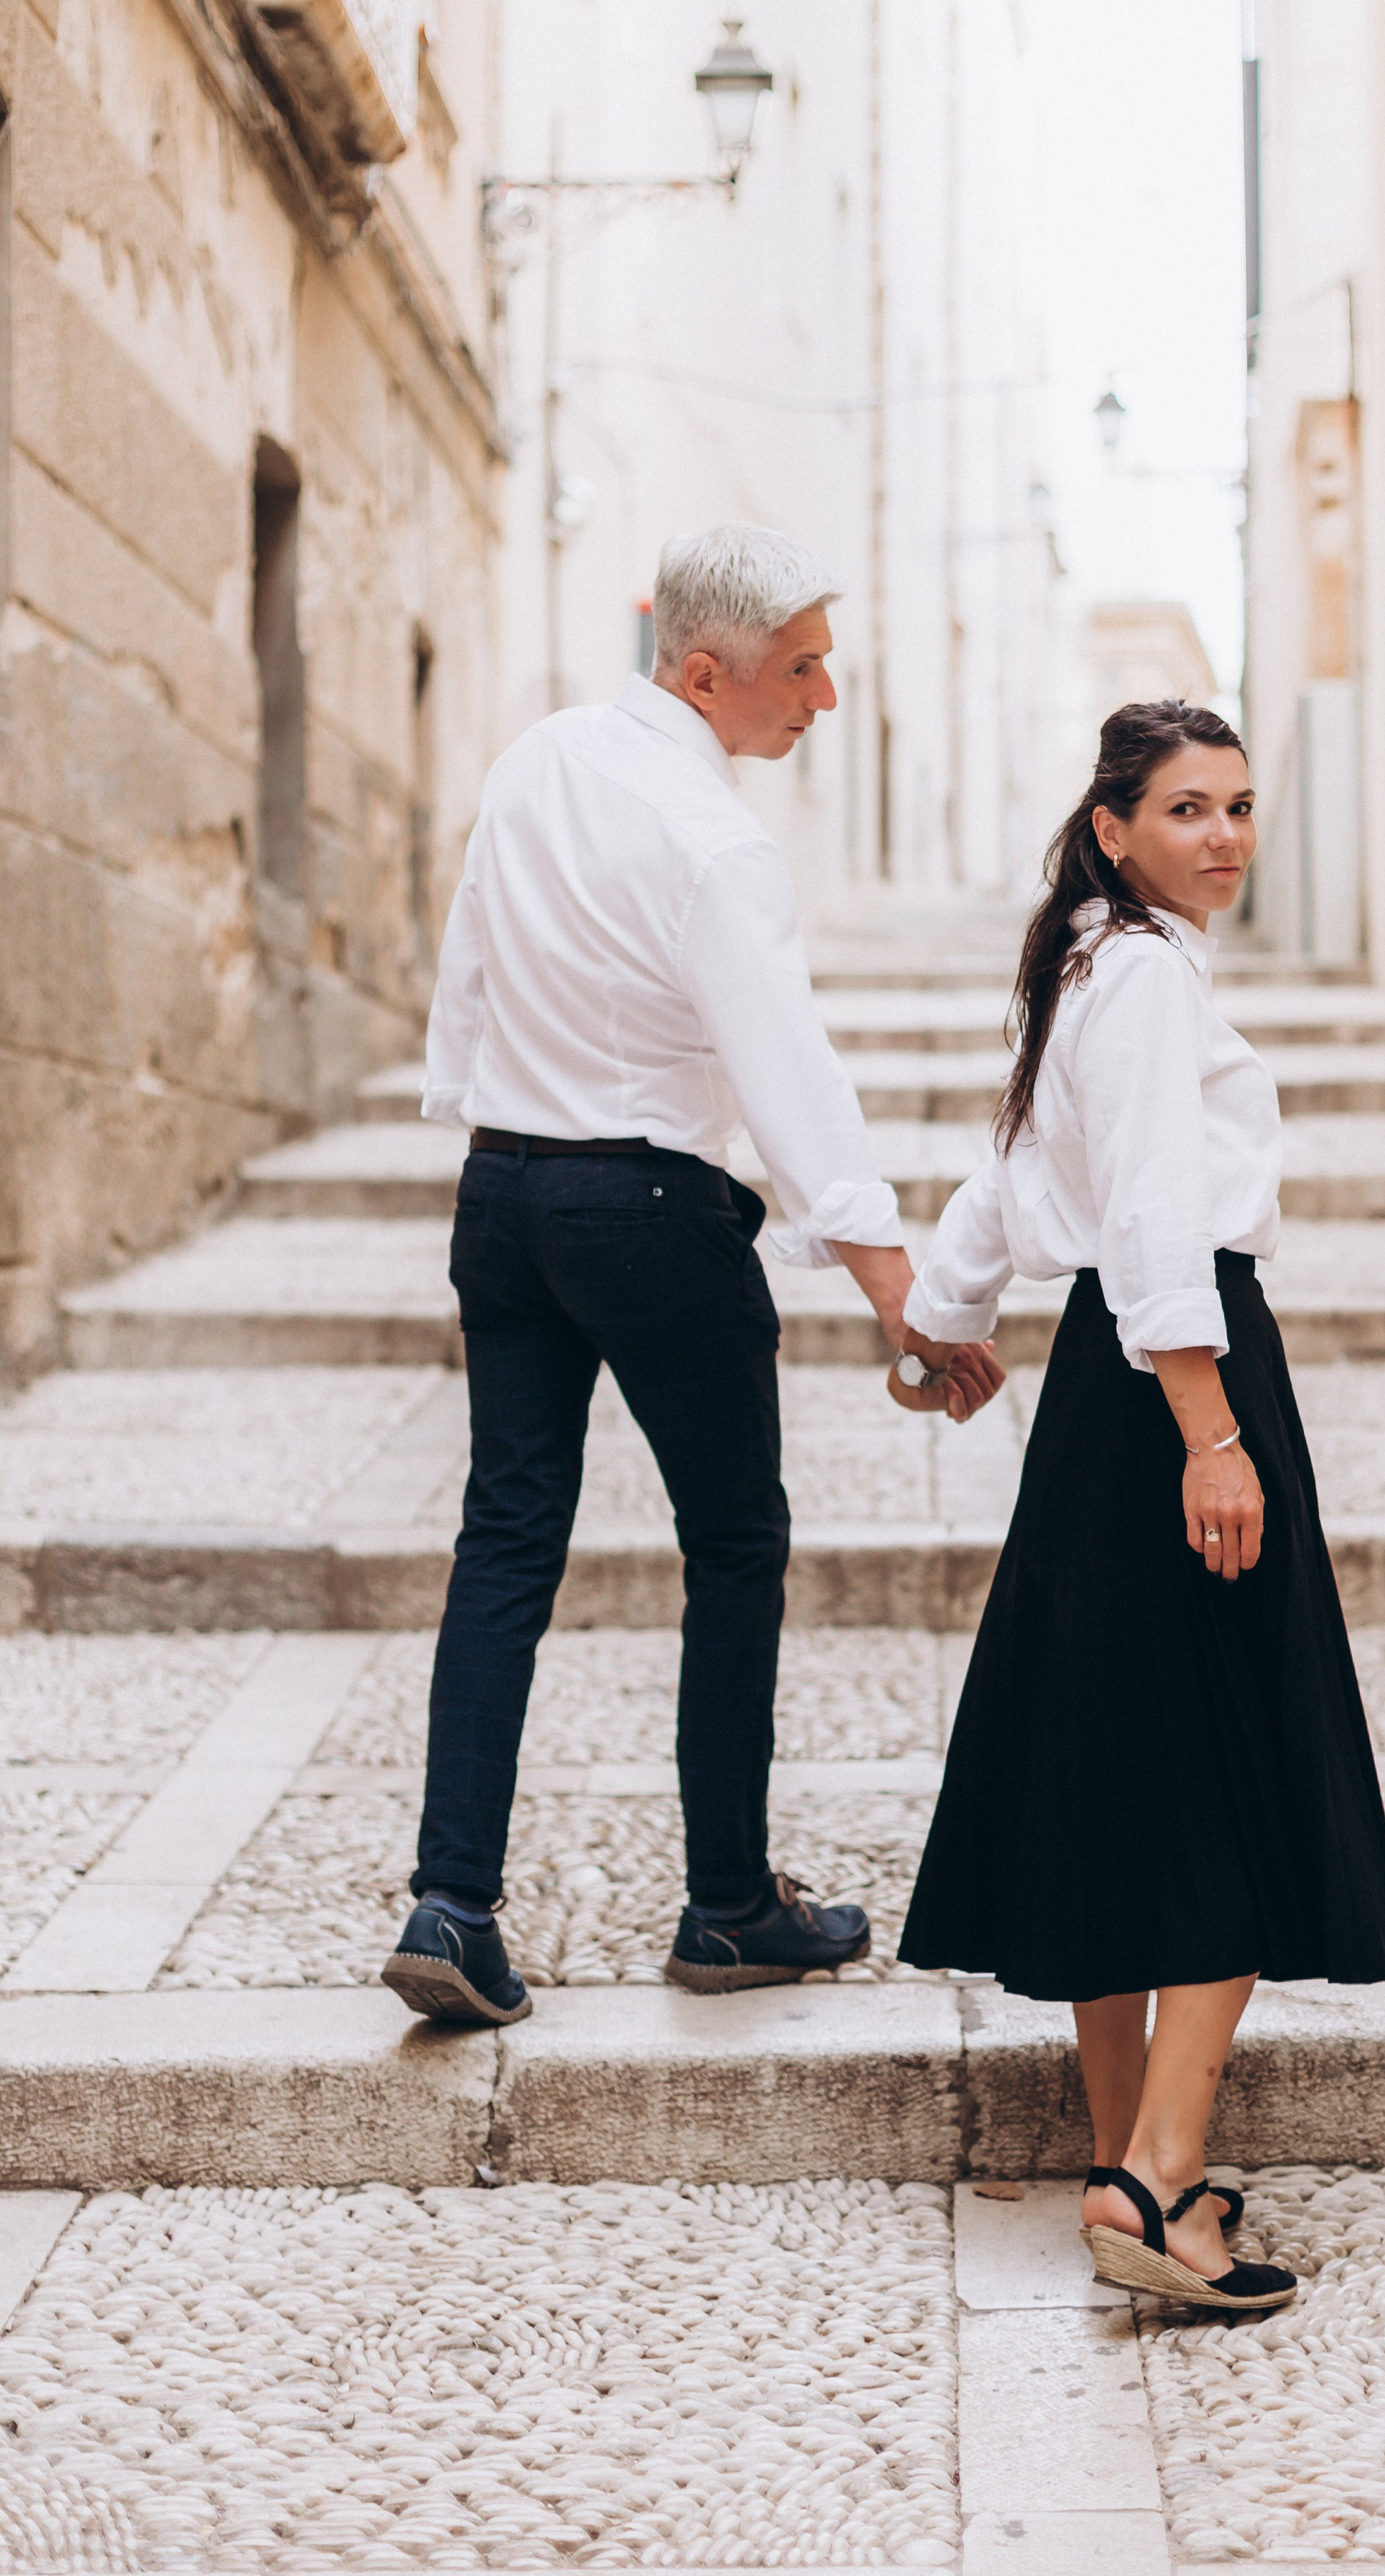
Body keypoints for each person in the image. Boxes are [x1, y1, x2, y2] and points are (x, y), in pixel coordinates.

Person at [382, 524, 1003, 2026]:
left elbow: (468, 969)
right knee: (732, 1543)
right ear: (705, 669)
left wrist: (484, 1115)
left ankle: (449, 1904)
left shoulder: (538, 760)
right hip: (651, 1205)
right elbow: (782, 1075)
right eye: (801, 670)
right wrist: (895, 1286)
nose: (825, 698)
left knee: (505, 1538)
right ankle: (726, 1908)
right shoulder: (716, 841)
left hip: (507, 1190)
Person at [892, 698, 1385, 2313]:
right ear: (1112, 826)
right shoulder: (1139, 977)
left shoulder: (1092, 967)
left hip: (1104, 1395)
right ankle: (1153, 2175)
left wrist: (943, 1316)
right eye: (1187, 808)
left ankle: (1125, 2158)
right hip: (1173, 1377)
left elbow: (1009, 1175)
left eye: (1241, 807)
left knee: (1118, 1762)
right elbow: (1150, 1211)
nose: (1225, 837)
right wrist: (1211, 1427)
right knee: (1239, 1760)